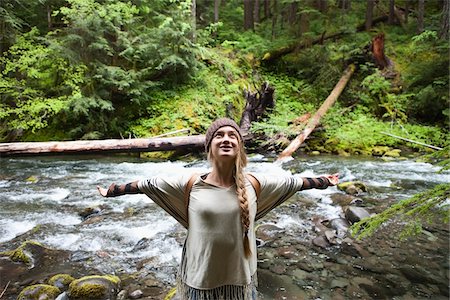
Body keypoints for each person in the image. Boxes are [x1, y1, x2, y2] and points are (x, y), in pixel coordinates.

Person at [97, 118, 339, 300]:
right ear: (210, 147)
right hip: (198, 281)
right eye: (219, 135)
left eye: (232, 135)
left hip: (240, 282)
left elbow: (295, 183)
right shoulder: (190, 183)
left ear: (240, 147)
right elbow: (147, 184)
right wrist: (114, 190)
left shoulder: (256, 183)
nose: (226, 139)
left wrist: (324, 181)